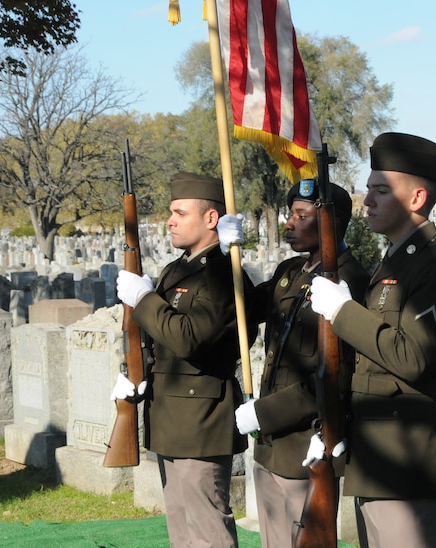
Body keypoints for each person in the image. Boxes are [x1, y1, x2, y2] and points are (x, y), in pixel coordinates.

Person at [308, 132, 436, 548]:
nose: (367, 201)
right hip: (377, 458)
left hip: (411, 462)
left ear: (417, 198)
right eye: (369, 190)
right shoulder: (394, 262)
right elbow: (368, 367)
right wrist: (334, 424)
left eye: (380, 191)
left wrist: (344, 312)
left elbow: (412, 357)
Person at [216, 179, 370, 547]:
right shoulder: (292, 271)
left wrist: (265, 413)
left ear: (330, 223)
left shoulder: (350, 282)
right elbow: (245, 308)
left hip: (307, 444)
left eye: (301, 215)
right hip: (271, 446)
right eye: (290, 214)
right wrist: (223, 256)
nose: (289, 222)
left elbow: (335, 374)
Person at [114, 172, 255, 548]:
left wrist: (143, 299)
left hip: (201, 423)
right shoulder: (176, 269)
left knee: (207, 532)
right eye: (170, 212)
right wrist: (131, 371)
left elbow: (188, 338)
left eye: (180, 212)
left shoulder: (223, 275)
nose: (170, 220)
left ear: (211, 219)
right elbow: (156, 338)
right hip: (170, 418)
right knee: (181, 531)